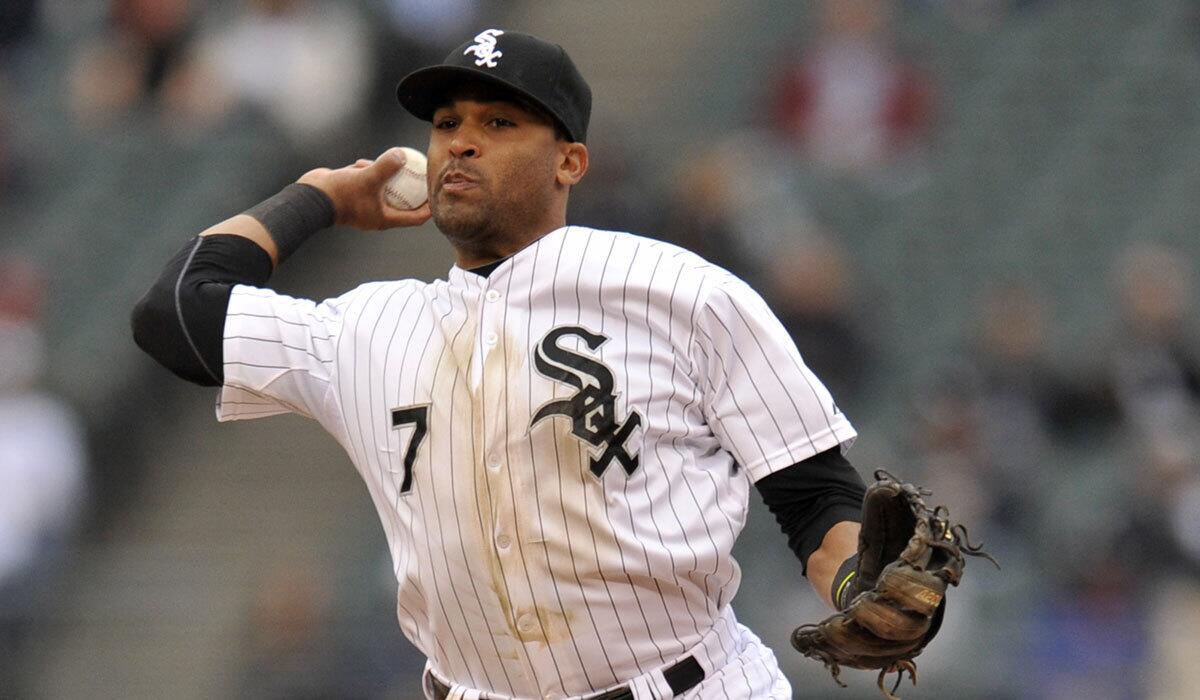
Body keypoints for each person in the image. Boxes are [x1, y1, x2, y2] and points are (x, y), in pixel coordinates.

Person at [131, 30, 868, 699]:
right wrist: (318, 196)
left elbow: (814, 496)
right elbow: (174, 313)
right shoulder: (363, 327)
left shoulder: (682, 291)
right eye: (447, 124)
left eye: (499, 123)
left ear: (570, 162)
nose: (461, 143)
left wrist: (860, 588)